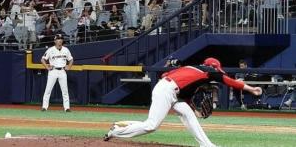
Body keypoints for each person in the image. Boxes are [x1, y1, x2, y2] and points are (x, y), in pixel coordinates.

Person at [104, 57, 262, 147]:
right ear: (214, 67)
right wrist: (250, 88)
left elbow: (184, 96)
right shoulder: (209, 71)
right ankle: (116, 131)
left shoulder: (193, 70)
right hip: (167, 91)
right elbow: (229, 81)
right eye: (217, 70)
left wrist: (195, 110)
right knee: (151, 125)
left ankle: (207, 145)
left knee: (188, 115)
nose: (218, 73)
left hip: (169, 89)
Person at [41, 34, 73, 112]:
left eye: (61, 39)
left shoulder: (66, 49)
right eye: (58, 39)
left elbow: (71, 59)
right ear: (55, 41)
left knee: (65, 90)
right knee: (48, 90)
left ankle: (67, 108)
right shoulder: (50, 50)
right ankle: (44, 107)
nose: (60, 40)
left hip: (62, 71)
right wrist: (47, 67)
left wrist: (69, 67)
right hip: (53, 71)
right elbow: (42, 59)